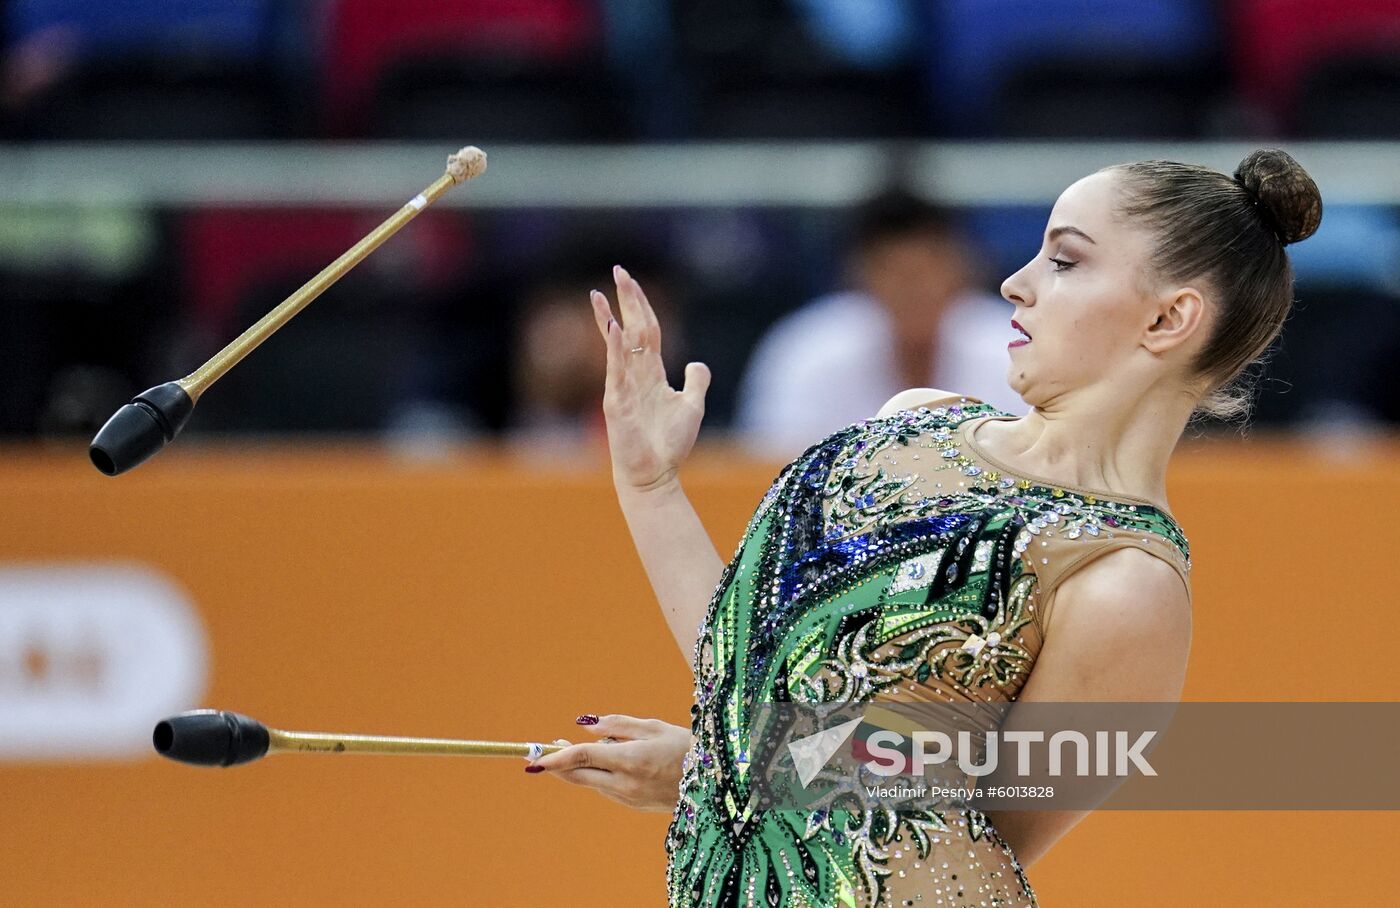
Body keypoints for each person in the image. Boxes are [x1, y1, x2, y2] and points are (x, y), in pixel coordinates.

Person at [523, 149, 1322, 906]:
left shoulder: (1124, 586)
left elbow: (964, 841)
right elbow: (754, 672)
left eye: (1065, 261)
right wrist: (650, 482)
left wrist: (745, 771)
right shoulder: (912, 422)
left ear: (1169, 318)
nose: (1015, 283)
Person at [735, 189, 1025, 461]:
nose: (915, 290)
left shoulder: (1013, 347)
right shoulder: (805, 353)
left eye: (926, 271)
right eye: (896, 273)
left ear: (963, 269)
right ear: (859, 276)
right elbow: (766, 475)